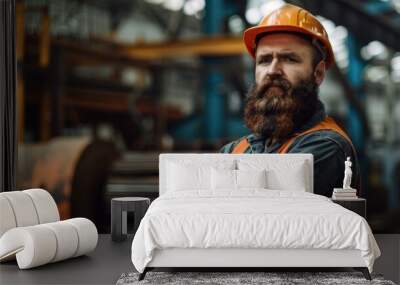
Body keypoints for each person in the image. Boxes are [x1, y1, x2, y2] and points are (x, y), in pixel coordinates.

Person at [220, 4, 360, 197]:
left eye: (289, 59)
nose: (272, 70)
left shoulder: (325, 147)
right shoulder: (236, 149)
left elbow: (261, 215)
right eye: (264, 60)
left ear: (318, 73)